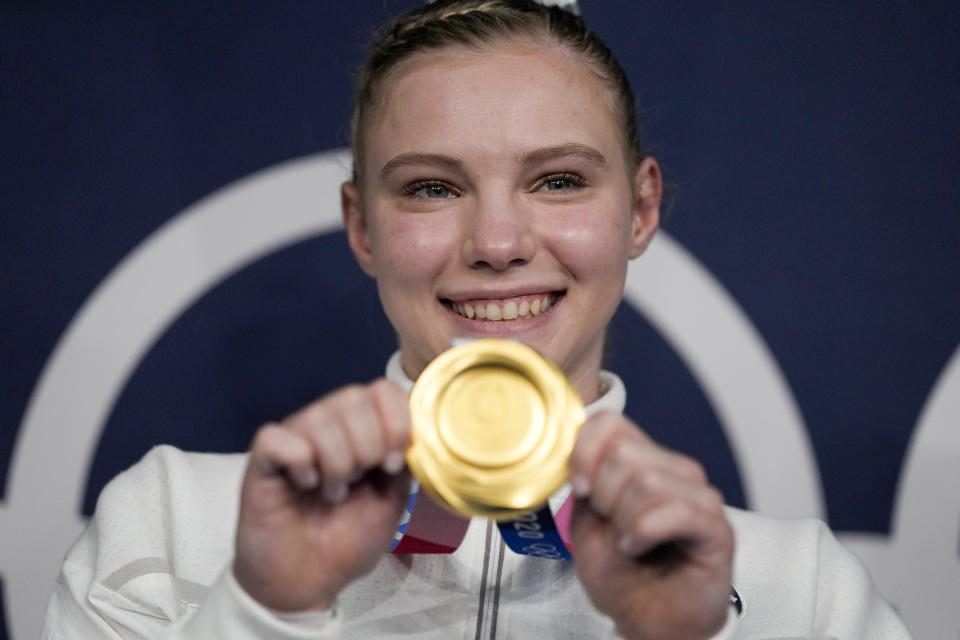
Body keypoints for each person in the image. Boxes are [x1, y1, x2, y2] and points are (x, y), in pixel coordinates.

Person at [42, 1, 911, 638]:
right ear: (361, 226)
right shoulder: (170, 521)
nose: (497, 243)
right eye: (432, 187)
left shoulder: (806, 590)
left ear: (640, 210)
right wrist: (265, 610)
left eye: (559, 179)